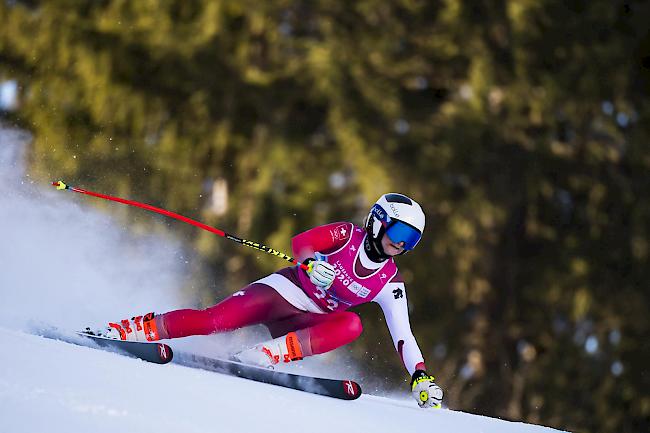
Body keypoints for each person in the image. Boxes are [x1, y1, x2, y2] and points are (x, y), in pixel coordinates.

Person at [102, 193, 443, 408]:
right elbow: (302, 242)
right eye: (399, 234)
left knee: (351, 324)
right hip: (281, 293)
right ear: (377, 223)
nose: (402, 245)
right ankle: (133, 329)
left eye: (411, 240)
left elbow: (403, 335)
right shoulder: (346, 235)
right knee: (212, 322)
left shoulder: (390, 281)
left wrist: (420, 376)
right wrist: (311, 262)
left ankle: (262, 356)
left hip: (307, 321)